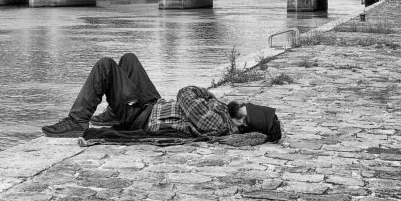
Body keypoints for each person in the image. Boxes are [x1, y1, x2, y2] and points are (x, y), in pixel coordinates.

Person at [41, 53, 282, 142]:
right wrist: (205, 98)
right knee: (129, 59)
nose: (243, 104)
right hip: (154, 105)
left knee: (105, 66)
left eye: (245, 110)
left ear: (243, 123)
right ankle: (114, 112)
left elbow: (185, 94)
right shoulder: (223, 113)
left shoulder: (220, 124)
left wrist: (204, 94)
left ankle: (76, 121)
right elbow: (190, 101)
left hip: (140, 118)